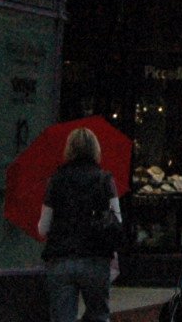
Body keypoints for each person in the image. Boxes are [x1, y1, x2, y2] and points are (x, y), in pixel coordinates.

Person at [40, 124, 121, 322]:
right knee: (99, 314)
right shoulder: (105, 180)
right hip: (96, 258)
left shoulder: (56, 181)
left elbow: (43, 227)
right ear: (95, 150)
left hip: (61, 258)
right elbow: (117, 221)